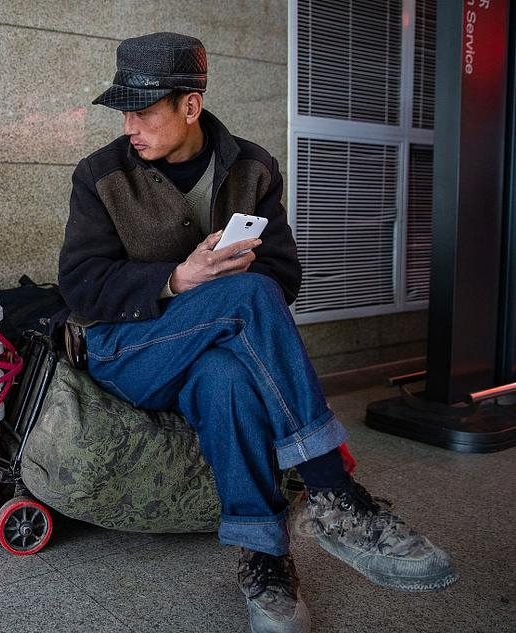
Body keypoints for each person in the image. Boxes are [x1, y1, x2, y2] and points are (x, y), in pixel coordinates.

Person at [57, 32, 456, 633]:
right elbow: (82, 286)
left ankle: (265, 559)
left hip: (216, 346)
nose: (130, 127)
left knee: (228, 377)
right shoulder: (101, 175)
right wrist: (180, 279)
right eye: (124, 113)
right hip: (130, 350)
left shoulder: (253, 167)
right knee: (246, 298)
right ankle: (333, 491)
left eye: (144, 112)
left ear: (190, 105)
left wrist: (235, 275)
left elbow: (283, 274)